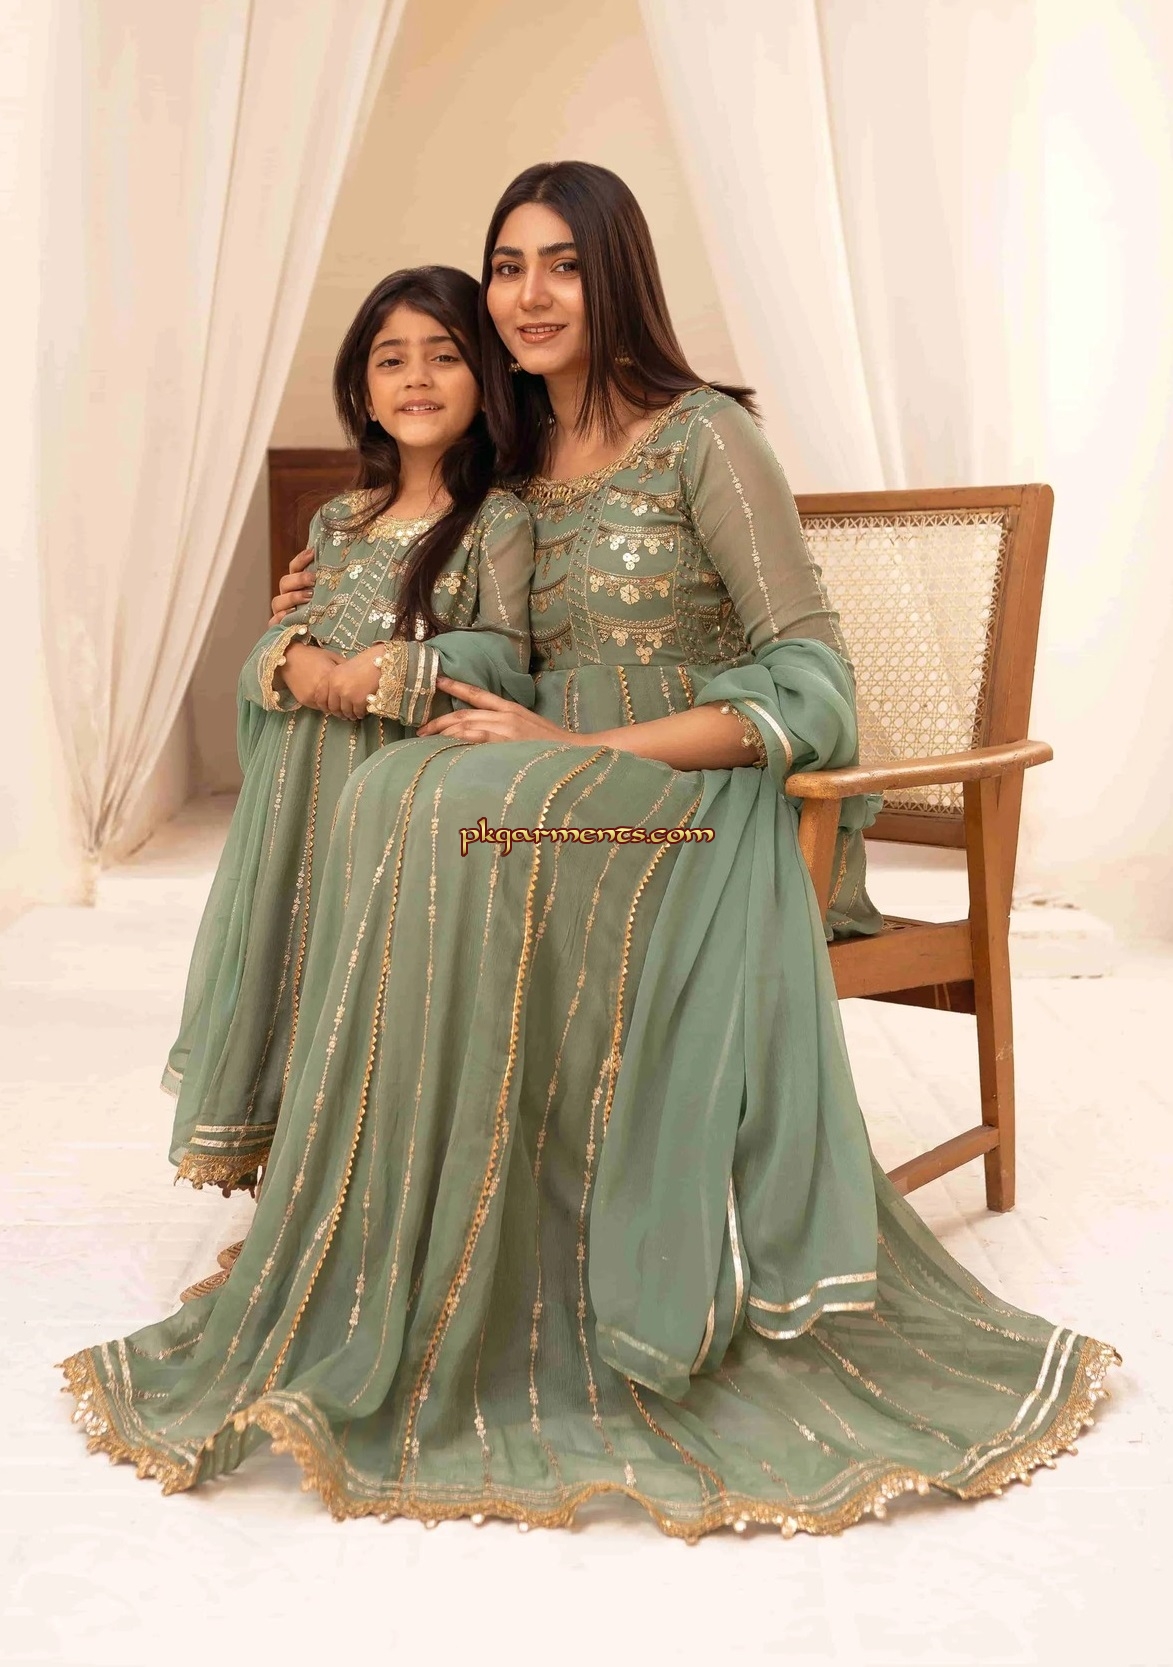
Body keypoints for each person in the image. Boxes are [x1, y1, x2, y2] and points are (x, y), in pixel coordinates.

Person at [63, 164, 1116, 1538]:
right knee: (398, 791)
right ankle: (396, 1249)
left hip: (698, 792)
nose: (530, 293)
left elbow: (814, 682)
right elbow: (454, 594)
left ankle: (446, 1246)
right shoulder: (512, 461)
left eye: (561, 262)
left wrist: (596, 745)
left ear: (617, 272)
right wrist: (319, 609)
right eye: (508, 266)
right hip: (551, 776)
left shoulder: (704, 439)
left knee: (437, 803)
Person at [164, 265, 533, 1198]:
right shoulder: (336, 519)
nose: (417, 377)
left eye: (444, 356)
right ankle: (287, 1192)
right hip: (299, 800)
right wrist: (293, 657)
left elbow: (509, 653)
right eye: (391, 360)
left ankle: (361, 1195)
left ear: (487, 380)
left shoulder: (495, 520)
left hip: (400, 794)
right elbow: (291, 635)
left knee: (373, 980)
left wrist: (396, 666)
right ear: (363, 392)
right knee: (292, 965)